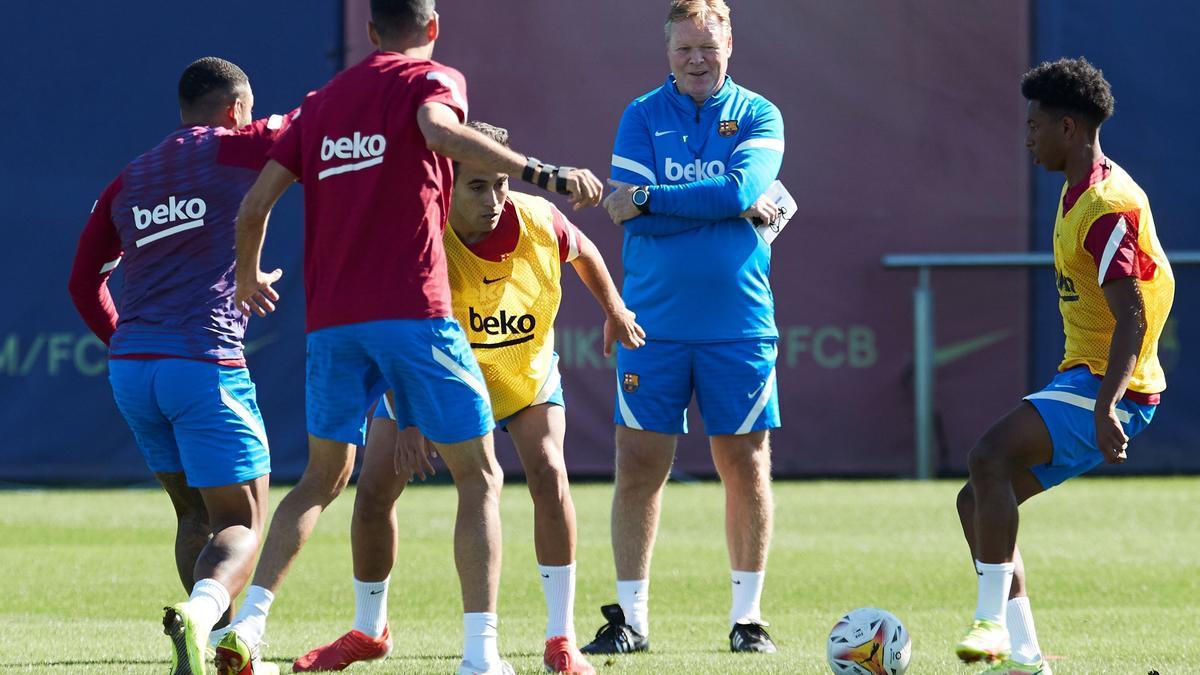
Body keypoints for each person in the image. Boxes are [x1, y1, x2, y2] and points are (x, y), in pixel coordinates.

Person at [224, 2, 603, 673]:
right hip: (413, 315)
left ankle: (248, 626)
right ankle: (481, 655)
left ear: (370, 33)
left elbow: (255, 204)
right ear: (431, 29)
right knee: (480, 475)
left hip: (333, 324)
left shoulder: (322, 102)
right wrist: (542, 172)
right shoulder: (431, 82)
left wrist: (250, 275)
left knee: (319, 478)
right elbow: (439, 131)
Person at [292, 120, 643, 674]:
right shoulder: (421, 242)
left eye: (502, 182)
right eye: (477, 186)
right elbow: (397, 338)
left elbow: (585, 251)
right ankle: (369, 630)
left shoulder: (537, 218)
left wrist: (615, 309)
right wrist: (409, 421)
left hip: (523, 378)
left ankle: (561, 640)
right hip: (432, 379)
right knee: (375, 491)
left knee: (550, 473)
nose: (496, 198)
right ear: (444, 184)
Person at [67, 57, 290, 675]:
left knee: (193, 513)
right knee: (240, 521)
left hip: (134, 370)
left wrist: (125, 342)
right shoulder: (242, 144)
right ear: (236, 108)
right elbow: (320, 121)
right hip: (202, 362)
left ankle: (209, 656)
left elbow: (83, 282)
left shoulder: (131, 177)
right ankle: (203, 619)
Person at [953, 57, 1174, 674]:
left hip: (1115, 389)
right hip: (1084, 375)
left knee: (988, 456)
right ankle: (1028, 660)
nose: (1027, 137)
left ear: (1069, 128)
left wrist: (1107, 406)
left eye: (1034, 126)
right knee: (977, 502)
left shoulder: (1105, 204)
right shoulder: (1078, 187)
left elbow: (1132, 316)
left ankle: (991, 624)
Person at [583, 0, 786, 657]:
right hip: (654, 325)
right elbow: (631, 218)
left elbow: (736, 190)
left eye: (708, 47)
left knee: (745, 464)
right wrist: (714, 204)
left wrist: (653, 197)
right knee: (640, 463)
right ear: (667, 51)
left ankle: (748, 617)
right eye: (684, 49)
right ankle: (632, 618)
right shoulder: (641, 115)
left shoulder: (760, 113)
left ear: (730, 45)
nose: (697, 60)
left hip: (739, 325)